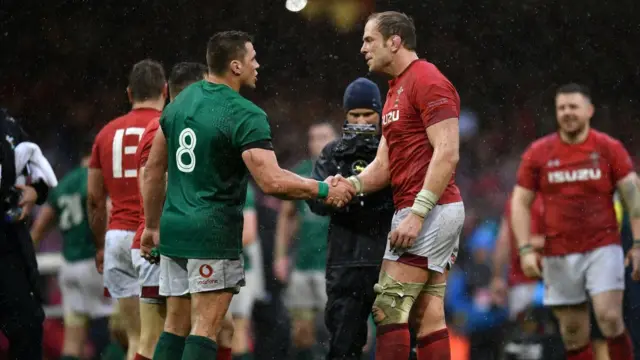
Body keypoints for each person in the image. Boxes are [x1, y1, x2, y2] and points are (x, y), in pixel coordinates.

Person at [140, 30, 354, 360]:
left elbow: (154, 171)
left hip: (174, 229)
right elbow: (271, 182)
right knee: (206, 327)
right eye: (253, 59)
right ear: (236, 66)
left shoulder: (178, 103)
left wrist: (152, 226)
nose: (259, 65)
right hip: (213, 233)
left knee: (174, 326)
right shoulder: (244, 114)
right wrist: (324, 188)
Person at [331, 11, 465, 360]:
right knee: (426, 315)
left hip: (429, 208)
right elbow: (384, 167)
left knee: (388, 308)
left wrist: (418, 214)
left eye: (369, 40)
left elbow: (447, 152)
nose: (362, 48)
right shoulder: (394, 91)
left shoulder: (428, 80)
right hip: (428, 209)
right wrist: (350, 184)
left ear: (395, 41)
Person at [511, 83, 640, 360]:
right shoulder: (539, 153)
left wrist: (638, 244)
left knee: (609, 317)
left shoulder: (608, 148)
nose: (567, 113)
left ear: (589, 110)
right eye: (561, 108)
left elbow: (634, 198)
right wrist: (524, 250)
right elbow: (520, 202)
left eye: (573, 107)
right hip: (558, 252)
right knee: (572, 332)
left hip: (603, 247)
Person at [305, 77, 395, 360]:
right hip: (345, 262)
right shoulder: (332, 152)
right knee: (343, 348)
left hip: (389, 262)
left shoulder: (393, 149)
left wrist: (346, 195)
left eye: (367, 114)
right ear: (344, 115)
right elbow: (315, 203)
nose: (360, 121)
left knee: (397, 346)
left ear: (379, 114)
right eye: (354, 115)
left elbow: (402, 200)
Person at [88, 59, 167, 360]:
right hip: (151, 238)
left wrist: (99, 246)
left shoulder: (106, 133)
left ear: (129, 93)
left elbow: (95, 200)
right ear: (165, 90)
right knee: (162, 337)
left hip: (116, 239)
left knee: (135, 339)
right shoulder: (167, 127)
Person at [131, 61, 207, 360]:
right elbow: (149, 180)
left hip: (174, 238)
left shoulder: (183, 124)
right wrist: (156, 228)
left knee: (216, 327)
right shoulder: (161, 127)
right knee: (155, 335)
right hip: (161, 242)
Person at [31, 141, 116, 360]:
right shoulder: (100, 179)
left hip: (69, 266)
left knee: (73, 340)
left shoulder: (63, 185)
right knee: (122, 330)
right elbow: (107, 212)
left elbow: (38, 229)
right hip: (97, 263)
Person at [273, 121, 336, 360]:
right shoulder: (299, 173)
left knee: (335, 329)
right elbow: (286, 216)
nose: (318, 143)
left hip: (332, 266)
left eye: (323, 137)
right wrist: (280, 256)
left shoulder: (346, 173)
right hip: (303, 262)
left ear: (336, 140)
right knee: (300, 333)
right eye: (313, 138)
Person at [0, 108, 56, 359]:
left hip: (9, 243)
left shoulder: (7, 124)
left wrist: (35, 191)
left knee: (28, 325)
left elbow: (38, 168)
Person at [491, 194, 545, 320]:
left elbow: (503, 241)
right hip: (551, 282)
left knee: (523, 334)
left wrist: (497, 277)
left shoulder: (514, 199)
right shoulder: (551, 196)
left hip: (521, 285)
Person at [228, 183, 264, 360]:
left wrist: (212, 248)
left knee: (237, 329)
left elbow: (249, 233)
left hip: (238, 268)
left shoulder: (241, 188)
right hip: (212, 268)